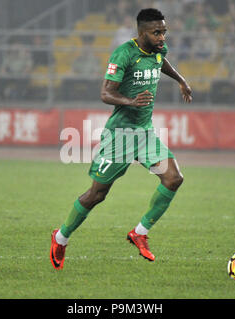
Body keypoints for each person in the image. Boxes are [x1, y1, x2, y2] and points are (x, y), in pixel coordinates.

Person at [50, 8, 192, 269]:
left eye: (164, 31)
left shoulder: (160, 50)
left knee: (174, 178)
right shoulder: (124, 53)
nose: (162, 37)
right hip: (120, 135)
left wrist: (181, 79)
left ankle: (139, 233)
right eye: (156, 32)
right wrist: (131, 101)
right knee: (97, 194)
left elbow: (161, 63)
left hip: (145, 133)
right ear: (142, 33)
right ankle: (61, 237)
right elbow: (105, 93)